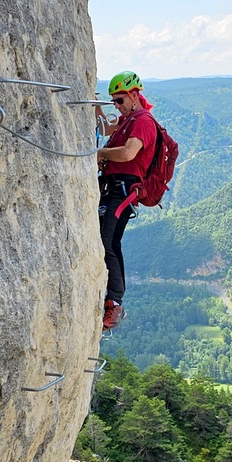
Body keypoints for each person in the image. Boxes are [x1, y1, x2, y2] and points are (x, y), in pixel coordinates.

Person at [96, 70, 158, 330]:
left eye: (120, 100)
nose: (117, 106)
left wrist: (99, 153)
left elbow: (129, 152)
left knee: (109, 242)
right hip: (114, 189)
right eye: (114, 101)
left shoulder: (142, 121)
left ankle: (115, 302)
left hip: (122, 191)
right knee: (108, 242)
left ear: (134, 95)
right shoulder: (129, 120)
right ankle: (113, 300)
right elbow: (113, 136)